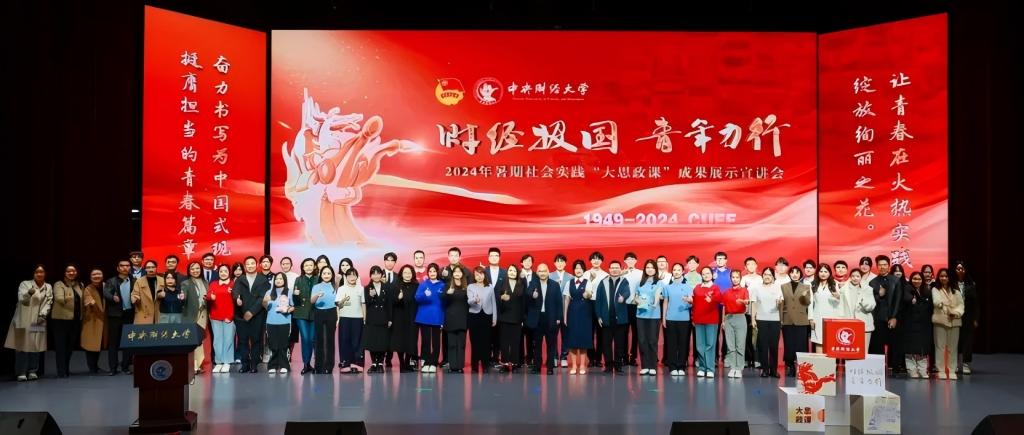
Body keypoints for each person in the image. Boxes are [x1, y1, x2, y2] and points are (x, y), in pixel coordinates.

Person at [6, 265, 53, 381]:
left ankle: (32, 371)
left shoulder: (48, 286)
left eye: (41, 272)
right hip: (23, 319)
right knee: (21, 346)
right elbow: (22, 300)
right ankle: (21, 372)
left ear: (45, 273)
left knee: (35, 345)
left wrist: (43, 314)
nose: (39, 274)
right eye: (37, 272)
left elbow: (49, 301)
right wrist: (29, 293)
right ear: (33, 273)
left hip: (39, 320)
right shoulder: (25, 284)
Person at [232, 256, 270, 373]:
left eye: (252, 263)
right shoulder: (240, 279)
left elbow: (262, 298)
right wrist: (237, 299)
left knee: (256, 340)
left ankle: (254, 364)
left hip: (257, 315)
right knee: (242, 340)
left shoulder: (263, 279)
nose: (250, 266)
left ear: (257, 265)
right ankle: (245, 364)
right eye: (248, 264)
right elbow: (235, 292)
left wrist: (252, 312)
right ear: (245, 266)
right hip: (241, 315)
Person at [526, 263, 563, 375]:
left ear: (548, 272)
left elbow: (559, 302)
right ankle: (537, 366)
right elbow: (528, 293)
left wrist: (558, 317)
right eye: (540, 271)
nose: (542, 273)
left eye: (544, 271)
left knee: (551, 344)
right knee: (537, 344)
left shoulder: (554, 284)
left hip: (551, 318)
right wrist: (532, 295)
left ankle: (550, 367)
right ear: (537, 272)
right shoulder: (533, 283)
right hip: (537, 318)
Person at [595, 260, 631, 374]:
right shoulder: (603, 282)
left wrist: (623, 297)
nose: (614, 270)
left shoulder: (624, 281)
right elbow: (598, 300)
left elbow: (627, 292)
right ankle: (609, 366)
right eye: (612, 268)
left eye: (616, 268)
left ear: (620, 269)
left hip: (620, 318)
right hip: (606, 318)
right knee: (606, 344)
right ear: (609, 269)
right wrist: (599, 316)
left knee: (620, 344)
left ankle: (618, 366)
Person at [868, 256, 901, 370]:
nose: (882, 267)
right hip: (878, 318)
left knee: (895, 345)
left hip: (893, 317)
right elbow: (871, 301)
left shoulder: (896, 280)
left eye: (885, 265)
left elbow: (898, 300)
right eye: (880, 265)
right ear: (877, 266)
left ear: (889, 266)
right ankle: (877, 369)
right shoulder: (872, 282)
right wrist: (879, 295)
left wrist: (894, 317)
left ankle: (895, 368)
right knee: (877, 345)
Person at [51, 264, 83, 378]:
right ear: (64, 273)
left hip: (75, 320)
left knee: (70, 346)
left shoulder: (80, 285)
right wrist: (69, 295)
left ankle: (66, 369)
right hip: (61, 320)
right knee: (61, 346)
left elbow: (83, 299)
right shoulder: (59, 284)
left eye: (73, 271)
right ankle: (61, 371)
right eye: (68, 271)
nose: (71, 273)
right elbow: (59, 298)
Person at [103, 260, 135, 375]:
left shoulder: (134, 281)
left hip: (129, 315)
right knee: (113, 343)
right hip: (115, 315)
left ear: (130, 268)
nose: (125, 268)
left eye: (127, 266)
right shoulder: (111, 281)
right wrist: (112, 297)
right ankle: (113, 368)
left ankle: (125, 367)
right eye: (122, 266)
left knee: (128, 342)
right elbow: (106, 293)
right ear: (118, 268)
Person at [563, 260, 594, 375]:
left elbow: (590, 294)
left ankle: (582, 365)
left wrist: (587, 294)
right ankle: (574, 365)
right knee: (572, 340)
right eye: (576, 268)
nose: (578, 270)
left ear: (583, 270)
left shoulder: (588, 282)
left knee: (583, 340)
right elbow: (566, 300)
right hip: (572, 313)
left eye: (580, 268)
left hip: (585, 313)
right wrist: (565, 316)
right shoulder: (569, 283)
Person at [932, 268, 964, 380]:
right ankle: (940, 370)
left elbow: (961, 306)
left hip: (955, 322)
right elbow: (936, 301)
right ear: (938, 277)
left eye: (946, 276)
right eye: (941, 276)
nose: (944, 278)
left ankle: (952, 370)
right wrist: (945, 306)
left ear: (950, 277)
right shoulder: (935, 289)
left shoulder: (957, 292)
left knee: (953, 348)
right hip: (940, 321)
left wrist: (955, 313)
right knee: (939, 347)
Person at [751, 268, 783, 378]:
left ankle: (774, 370)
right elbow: (754, 304)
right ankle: (764, 370)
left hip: (775, 320)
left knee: (773, 346)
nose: (767, 276)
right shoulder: (757, 288)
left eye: (769, 275)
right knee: (762, 346)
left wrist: (779, 303)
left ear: (773, 277)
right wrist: (753, 319)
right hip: (761, 319)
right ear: (762, 276)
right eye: (765, 274)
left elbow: (781, 304)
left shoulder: (778, 288)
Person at [901, 272, 933, 379]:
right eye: (914, 278)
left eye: (919, 279)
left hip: (924, 324)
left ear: (922, 280)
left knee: (922, 348)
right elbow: (906, 299)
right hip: (909, 323)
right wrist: (912, 299)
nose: (917, 281)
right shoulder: (907, 289)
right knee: (909, 348)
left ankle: (923, 370)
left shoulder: (927, 291)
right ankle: (912, 370)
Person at [663, 263, 693, 376]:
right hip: (670, 318)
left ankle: (681, 366)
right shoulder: (667, 287)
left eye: (678, 270)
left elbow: (692, 302)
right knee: (671, 343)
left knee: (683, 343)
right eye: (674, 270)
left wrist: (689, 301)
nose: (676, 272)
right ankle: (672, 367)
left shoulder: (688, 286)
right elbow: (665, 303)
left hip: (684, 319)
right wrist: (664, 318)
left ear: (682, 272)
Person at [635, 260, 664, 376]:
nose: (650, 269)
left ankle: (652, 366)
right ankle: (645, 366)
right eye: (647, 267)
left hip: (654, 315)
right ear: (645, 269)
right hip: (640, 315)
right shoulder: (640, 282)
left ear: (655, 269)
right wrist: (638, 300)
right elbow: (635, 297)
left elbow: (658, 294)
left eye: (652, 267)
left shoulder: (659, 282)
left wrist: (655, 303)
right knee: (642, 340)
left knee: (652, 340)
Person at [781, 267, 811, 377]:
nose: (794, 274)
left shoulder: (806, 287)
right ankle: (790, 367)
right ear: (789, 274)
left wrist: (804, 295)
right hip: (787, 319)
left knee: (801, 345)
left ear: (800, 274)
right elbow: (782, 303)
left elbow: (807, 303)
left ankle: (802, 368)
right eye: (792, 272)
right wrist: (781, 319)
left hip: (801, 319)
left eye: (797, 272)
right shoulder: (783, 286)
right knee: (788, 344)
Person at [692, 267, 722, 378]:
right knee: (700, 345)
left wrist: (712, 299)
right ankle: (702, 367)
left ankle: (710, 368)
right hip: (699, 319)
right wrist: (693, 317)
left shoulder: (715, 287)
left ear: (712, 275)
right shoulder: (697, 287)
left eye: (708, 273)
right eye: (704, 274)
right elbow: (694, 303)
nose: (706, 275)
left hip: (711, 320)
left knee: (710, 344)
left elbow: (719, 298)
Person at [808, 264, 845, 353]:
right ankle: (820, 362)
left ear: (829, 273)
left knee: (831, 342)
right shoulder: (813, 285)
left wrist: (838, 297)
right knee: (819, 342)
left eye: (825, 271)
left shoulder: (835, 284)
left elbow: (841, 303)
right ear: (818, 273)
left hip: (832, 318)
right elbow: (810, 303)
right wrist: (810, 318)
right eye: (821, 271)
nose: (823, 274)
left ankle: (831, 362)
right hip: (817, 317)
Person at [415, 263, 445, 373]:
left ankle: (433, 363)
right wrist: (424, 295)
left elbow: (445, 302)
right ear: (428, 273)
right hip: (424, 317)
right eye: (430, 271)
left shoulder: (442, 285)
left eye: (434, 271)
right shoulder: (423, 284)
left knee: (436, 342)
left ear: (437, 272)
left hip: (437, 316)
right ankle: (426, 362)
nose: (432, 273)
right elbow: (417, 298)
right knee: (426, 341)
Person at [181, 262, 209, 373]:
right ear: (189, 271)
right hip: (191, 314)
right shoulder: (186, 283)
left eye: (197, 268)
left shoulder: (205, 282)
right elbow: (183, 295)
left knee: (199, 339)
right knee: (192, 339)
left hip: (203, 313)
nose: (195, 271)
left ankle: (198, 364)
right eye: (192, 269)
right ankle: (193, 365)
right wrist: (182, 297)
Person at [206, 264, 236, 373]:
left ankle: (227, 362)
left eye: (225, 271)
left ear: (229, 272)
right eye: (221, 271)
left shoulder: (233, 284)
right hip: (215, 316)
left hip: (229, 316)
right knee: (217, 340)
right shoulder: (213, 284)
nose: (223, 273)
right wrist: (210, 297)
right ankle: (218, 362)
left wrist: (231, 316)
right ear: (218, 273)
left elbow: (235, 302)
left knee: (228, 339)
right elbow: (208, 295)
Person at [263, 272, 295, 374]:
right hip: (271, 322)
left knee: (283, 345)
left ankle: (284, 365)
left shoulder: (289, 292)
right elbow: (265, 307)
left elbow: (293, 306)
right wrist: (265, 301)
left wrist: (288, 310)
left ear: (284, 280)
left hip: (285, 322)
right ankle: (273, 365)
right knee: (273, 345)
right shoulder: (269, 292)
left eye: (281, 279)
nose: (278, 280)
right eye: (276, 279)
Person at [390, 265, 420, 373]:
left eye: (409, 272)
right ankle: (402, 364)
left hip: (412, 316)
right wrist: (398, 298)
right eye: (405, 272)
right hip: (399, 317)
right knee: (400, 341)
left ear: (412, 274)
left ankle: (407, 363)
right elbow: (391, 302)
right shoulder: (396, 285)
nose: (407, 274)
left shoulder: (416, 286)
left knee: (411, 340)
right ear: (401, 274)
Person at [364, 266, 393, 373]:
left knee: (382, 341)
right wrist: (371, 297)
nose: (376, 276)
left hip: (383, 317)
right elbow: (365, 304)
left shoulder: (386, 287)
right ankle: (373, 363)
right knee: (372, 341)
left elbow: (389, 304)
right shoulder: (367, 288)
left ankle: (380, 363)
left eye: (378, 273)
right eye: (373, 274)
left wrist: (390, 319)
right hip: (372, 317)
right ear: (370, 275)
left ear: (381, 274)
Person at [496, 264, 525, 373]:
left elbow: (524, 302)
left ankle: (514, 363)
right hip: (504, 317)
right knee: (504, 342)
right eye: (510, 270)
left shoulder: (521, 284)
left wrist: (522, 318)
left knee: (515, 342)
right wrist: (501, 298)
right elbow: (496, 297)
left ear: (517, 273)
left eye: (514, 271)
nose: (512, 272)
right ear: (507, 272)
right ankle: (504, 364)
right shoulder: (502, 282)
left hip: (517, 318)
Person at [467, 266, 497, 373]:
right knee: (475, 341)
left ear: (484, 275)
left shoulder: (490, 287)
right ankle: (474, 366)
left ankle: (485, 365)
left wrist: (494, 318)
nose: (479, 276)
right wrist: (474, 300)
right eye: (477, 274)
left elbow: (493, 303)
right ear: (474, 276)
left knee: (486, 341)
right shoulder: (470, 286)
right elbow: (469, 301)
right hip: (474, 315)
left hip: (487, 315)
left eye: (481, 274)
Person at [291, 258, 318, 374]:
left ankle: (313, 363)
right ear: (302, 267)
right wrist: (295, 295)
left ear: (315, 266)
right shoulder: (298, 279)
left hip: (315, 312)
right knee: (305, 338)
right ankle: (306, 364)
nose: (308, 267)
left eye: (310, 265)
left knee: (312, 339)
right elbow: (295, 300)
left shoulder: (318, 279)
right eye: (306, 265)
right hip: (301, 313)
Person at [722, 270, 750, 378]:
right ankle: (733, 367)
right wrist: (723, 321)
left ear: (740, 278)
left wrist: (743, 301)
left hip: (740, 318)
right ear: (730, 278)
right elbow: (724, 307)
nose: (735, 279)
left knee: (740, 344)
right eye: (733, 277)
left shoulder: (744, 290)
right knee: (730, 345)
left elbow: (747, 301)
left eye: (737, 277)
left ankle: (739, 368)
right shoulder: (726, 292)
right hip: (728, 318)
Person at [337, 268, 366, 373]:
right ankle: (345, 364)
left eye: (354, 275)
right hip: (344, 318)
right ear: (346, 277)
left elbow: (363, 304)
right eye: (349, 275)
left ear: (357, 277)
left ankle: (357, 364)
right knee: (345, 340)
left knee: (357, 342)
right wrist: (343, 301)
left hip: (358, 318)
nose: (352, 277)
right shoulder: (341, 289)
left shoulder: (361, 289)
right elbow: (338, 304)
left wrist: (364, 318)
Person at [441, 266, 469, 373]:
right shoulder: (447, 285)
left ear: (462, 274)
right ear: (452, 274)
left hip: (463, 318)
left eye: (459, 272)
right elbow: (442, 300)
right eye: (455, 272)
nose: (457, 273)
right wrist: (447, 294)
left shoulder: (467, 286)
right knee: (451, 344)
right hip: (451, 318)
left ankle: (460, 366)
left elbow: (469, 302)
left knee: (461, 344)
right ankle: (452, 366)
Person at [953, 260, 979, 375]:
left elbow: (976, 304)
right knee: (955, 341)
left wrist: (975, 319)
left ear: (965, 270)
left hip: (968, 318)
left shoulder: (971, 284)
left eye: (962, 269)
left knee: (967, 341)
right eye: (958, 269)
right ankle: (955, 364)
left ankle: (966, 364)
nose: (960, 271)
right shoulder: (951, 284)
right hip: (955, 317)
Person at [311, 266, 338, 374]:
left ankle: (329, 366)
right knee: (319, 339)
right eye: (324, 273)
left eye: (329, 273)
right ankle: (319, 366)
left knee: (330, 340)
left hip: (332, 312)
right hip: (319, 313)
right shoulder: (316, 286)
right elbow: (312, 301)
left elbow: (338, 301)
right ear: (321, 275)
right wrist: (317, 295)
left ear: (332, 275)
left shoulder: (335, 285)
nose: (326, 275)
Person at [81, 268, 107, 374]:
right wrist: (92, 304)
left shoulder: (106, 286)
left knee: (98, 344)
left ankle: (95, 366)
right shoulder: (88, 289)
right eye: (94, 274)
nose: (96, 276)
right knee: (91, 344)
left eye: (99, 274)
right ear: (90, 277)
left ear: (102, 276)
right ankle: (92, 367)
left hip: (103, 320)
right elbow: (89, 302)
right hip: (92, 319)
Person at [842, 269, 876, 348]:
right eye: (853, 276)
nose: (855, 278)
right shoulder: (843, 290)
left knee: (864, 349)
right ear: (850, 277)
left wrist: (863, 301)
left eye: (857, 276)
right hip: (849, 323)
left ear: (861, 277)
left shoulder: (867, 289)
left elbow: (871, 307)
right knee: (850, 349)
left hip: (864, 323)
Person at [622, 253, 642, 367]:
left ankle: (633, 357)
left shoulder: (640, 273)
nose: (630, 261)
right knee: (623, 332)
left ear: (636, 261)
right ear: (624, 261)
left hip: (636, 305)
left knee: (636, 333)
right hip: (623, 306)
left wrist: (637, 298)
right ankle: (623, 357)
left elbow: (642, 288)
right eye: (628, 259)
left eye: (632, 259)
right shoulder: (621, 273)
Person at [130, 260, 163, 325]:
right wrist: (135, 298)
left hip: (159, 313)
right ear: (145, 269)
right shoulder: (139, 281)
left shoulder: (162, 280)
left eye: (153, 267)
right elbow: (135, 294)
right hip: (144, 312)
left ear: (156, 268)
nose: (151, 269)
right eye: (148, 267)